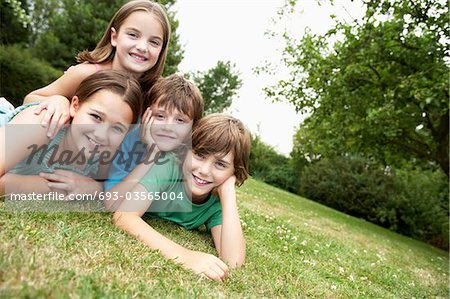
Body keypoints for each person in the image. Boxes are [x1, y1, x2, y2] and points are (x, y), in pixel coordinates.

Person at [112, 114, 251, 282]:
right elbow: (124, 216)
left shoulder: (217, 199)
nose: (204, 170)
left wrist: (228, 192)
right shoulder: (167, 166)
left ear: (233, 172)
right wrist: (183, 256)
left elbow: (234, 261)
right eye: (199, 155)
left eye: (220, 164)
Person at [23, 0, 170, 138]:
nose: (142, 47)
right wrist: (59, 100)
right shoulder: (86, 73)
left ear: (162, 50)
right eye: (133, 35)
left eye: (154, 42)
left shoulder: (155, 94)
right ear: (114, 37)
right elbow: (30, 99)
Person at [0, 70, 142, 196]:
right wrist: (51, 187)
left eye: (117, 129)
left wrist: (95, 187)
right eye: (96, 117)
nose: (101, 135)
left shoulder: (107, 155)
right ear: (75, 106)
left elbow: (117, 192)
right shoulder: (43, 123)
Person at [103, 74, 204, 210]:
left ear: (193, 126)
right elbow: (112, 204)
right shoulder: (131, 141)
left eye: (180, 120)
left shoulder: (193, 154)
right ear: (145, 115)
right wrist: (153, 153)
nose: (168, 127)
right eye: (160, 116)